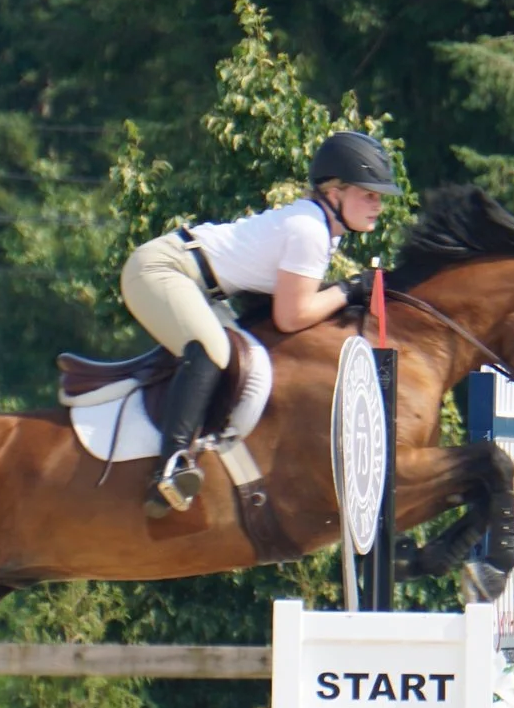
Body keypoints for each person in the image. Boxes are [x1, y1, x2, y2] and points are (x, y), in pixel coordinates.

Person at [118, 130, 400, 515]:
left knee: (241, 355)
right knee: (213, 350)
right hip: (160, 269)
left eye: (379, 196)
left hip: (197, 283)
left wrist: (344, 292)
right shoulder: (310, 231)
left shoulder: (321, 229)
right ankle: (171, 467)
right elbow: (291, 317)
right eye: (369, 194)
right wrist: (348, 290)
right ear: (335, 192)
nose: (377, 204)